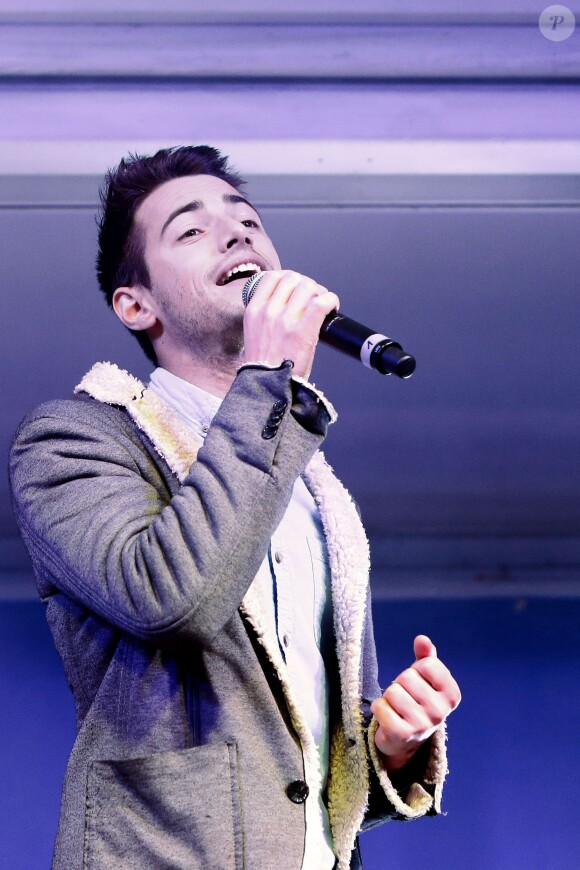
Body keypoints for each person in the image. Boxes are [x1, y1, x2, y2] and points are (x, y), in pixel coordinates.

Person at [9, 145, 460, 870]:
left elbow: (295, 775)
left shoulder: (313, 488)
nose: (237, 235)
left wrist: (384, 746)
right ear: (136, 304)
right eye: (190, 230)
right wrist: (268, 379)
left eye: (247, 221)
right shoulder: (75, 438)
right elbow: (174, 599)